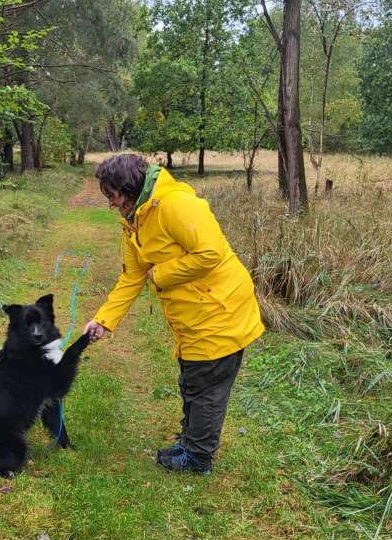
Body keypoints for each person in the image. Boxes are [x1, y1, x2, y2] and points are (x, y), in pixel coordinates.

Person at [83, 154, 264, 475]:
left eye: (111, 195)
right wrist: (103, 321)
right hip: (194, 316)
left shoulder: (175, 204)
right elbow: (132, 276)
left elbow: (210, 252)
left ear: (128, 188)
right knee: (192, 381)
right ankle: (191, 441)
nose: (110, 204)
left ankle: (197, 459)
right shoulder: (135, 219)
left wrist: (162, 274)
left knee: (205, 388)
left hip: (220, 311)